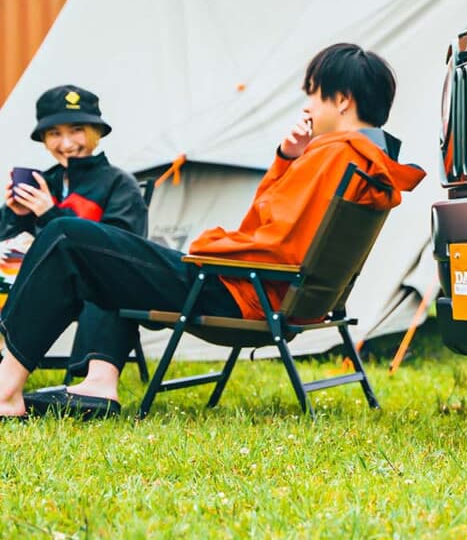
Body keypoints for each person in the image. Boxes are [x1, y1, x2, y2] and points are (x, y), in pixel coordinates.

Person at [0, 43, 425, 418]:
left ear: (343, 99)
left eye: (313, 93)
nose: (309, 105)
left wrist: (208, 245)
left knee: (67, 237)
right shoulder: (367, 160)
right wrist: (286, 158)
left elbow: (267, 241)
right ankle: (96, 383)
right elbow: (278, 228)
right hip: (271, 293)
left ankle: (6, 392)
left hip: (238, 292)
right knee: (98, 250)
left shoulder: (331, 156)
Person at [1, 86, 147, 413]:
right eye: (55, 133)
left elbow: (122, 251)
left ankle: (96, 384)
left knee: (102, 278)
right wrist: (16, 215)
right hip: (31, 288)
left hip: (99, 289)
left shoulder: (118, 184)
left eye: (77, 130)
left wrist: (50, 213)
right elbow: (8, 246)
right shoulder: (42, 182)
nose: (66, 143)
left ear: (96, 132)